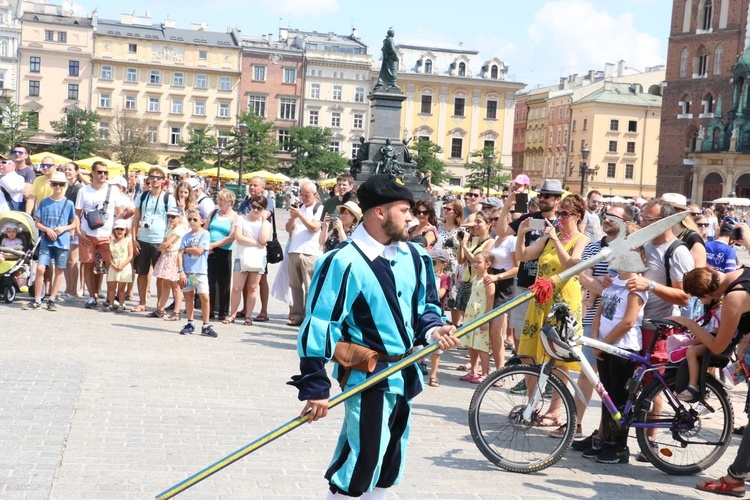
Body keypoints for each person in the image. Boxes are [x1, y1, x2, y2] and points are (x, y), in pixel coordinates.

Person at [288, 174, 459, 498]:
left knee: (389, 461)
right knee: (363, 461)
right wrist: (315, 384)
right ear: (379, 212)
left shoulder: (416, 258)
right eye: (403, 210)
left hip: (405, 372)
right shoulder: (341, 261)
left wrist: (435, 330)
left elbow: (425, 307)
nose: (411, 218)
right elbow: (320, 324)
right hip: (368, 375)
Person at [664, 267, 750, 497]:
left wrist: (689, 324)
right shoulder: (743, 272)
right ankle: (738, 475)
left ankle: (735, 478)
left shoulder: (734, 297)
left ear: (705, 296)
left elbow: (717, 347)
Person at [514, 193, 589, 424]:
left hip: (562, 305)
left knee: (559, 359)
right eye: (559, 214)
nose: (559, 218)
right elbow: (523, 256)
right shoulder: (549, 238)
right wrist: (521, 234)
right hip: (540, 301)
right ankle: (531, 405)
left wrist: (556, 239)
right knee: (529, 355)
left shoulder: (581, 239)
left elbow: (571, 264)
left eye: (565, 214)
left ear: (577, 216)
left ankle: (555, 411)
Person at [570, 204, 633, 443]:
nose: (606, 220)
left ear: (626, 222)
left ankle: (602, 431)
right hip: (592, 317)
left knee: (609, 379)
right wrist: (599, 286)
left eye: (613, 217)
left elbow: (618, 283)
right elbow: (583, 275)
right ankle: (574, 423)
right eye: (605, 217)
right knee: (587, 373)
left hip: (615, 319)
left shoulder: (627, 249)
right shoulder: (593, 246)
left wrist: (598, 286)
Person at [587, 225, 648, 464]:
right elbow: (600, 308)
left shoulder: (636, 284)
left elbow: (628, 322)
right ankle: (606, 438)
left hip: (623, 347)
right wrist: (595, 339)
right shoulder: (613, 280)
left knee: (619, 396)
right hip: (605, 345)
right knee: (606, 395)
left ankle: (619, 444)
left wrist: (604, 344)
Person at [500, 179, 563, 357]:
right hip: (525, 281)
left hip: (548, 285)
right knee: (520, 328)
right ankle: (524, 369)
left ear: (557, 199)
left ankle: (540, 372)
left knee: (546, 331)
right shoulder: (532, 219)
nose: (542, 199)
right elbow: (502, 231)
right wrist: (507, 206)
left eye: (547, 196)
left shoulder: (561, 223)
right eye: (541, 195)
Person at [75, 161, 127, 309]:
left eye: (105, 172)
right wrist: (79, 232)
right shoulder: (84, 191)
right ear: (92, 173)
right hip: (88, 234)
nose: (103, 175)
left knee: (112, 265)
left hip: (107, 235)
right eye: (99, 172)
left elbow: (119, 214)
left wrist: (117, 234)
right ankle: (92, 296)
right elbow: (77, 214)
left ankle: (112, 297)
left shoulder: (113, 190)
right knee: (88, 264)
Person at [22, 171, 76, 311]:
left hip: (62, 240)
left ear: (65, 186)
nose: (58, 186)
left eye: (61, 184)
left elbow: (74, 223)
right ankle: (38, 299)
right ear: (51, 185)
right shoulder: (44, 202)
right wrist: (47, 230)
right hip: (46, 240)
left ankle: (52, 298)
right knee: (40, 268)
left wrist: (63, 228)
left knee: (59, 269)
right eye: (55, 184)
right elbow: (37, 222)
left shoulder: (69, 203)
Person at [130, 167, 176, 314]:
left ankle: (159, 306)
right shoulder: (142, 196)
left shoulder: (168, 198)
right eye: (152, 177)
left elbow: (174, 221)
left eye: (158, 177)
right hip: (143, 238)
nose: (155, 180)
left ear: (163, 180)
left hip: (160, 240)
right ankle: (142, 302)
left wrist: (168, 241)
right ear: (148, 179)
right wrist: (133, 238)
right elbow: (136, 218)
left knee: (161, 276)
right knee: (142, 273)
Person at [225, 195, 271, 326]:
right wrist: (255, 242)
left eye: (259, 208)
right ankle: (232, 314)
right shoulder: (241, 219)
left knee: (253, 287)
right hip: (242, 257)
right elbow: (238, 237)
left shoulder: (265, 224)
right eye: (254, 206)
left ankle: (248, 316)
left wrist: (263, 221)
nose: (255, 210)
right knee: (237, 288)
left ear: (263, 209)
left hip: (257, 258)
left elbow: (264, 240)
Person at [285, 181, 323, 326]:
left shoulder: (319, 208)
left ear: (314, 195)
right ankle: (296, 315)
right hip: (294, 250)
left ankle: (309, 315)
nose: (304, 198)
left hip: (310, 252)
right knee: (294, 285)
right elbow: (288, 228)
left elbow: (314, 227)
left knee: (309, 287)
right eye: (302, 195)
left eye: (307, 195)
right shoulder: (298, 208)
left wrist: (300, 215)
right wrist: (293, 217)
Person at [485, 212, 518, 366]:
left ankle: (500, 369)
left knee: (496, 331)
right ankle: (485, 367)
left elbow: (517, 268)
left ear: (508, 221)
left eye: (497, 219)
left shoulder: (512, 240)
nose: (493, 222)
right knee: (489, 328)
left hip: (505, 283)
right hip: (492, 280)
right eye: (492, 219)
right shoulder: (496, 239)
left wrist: (498, 277)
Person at [458, 251, 495, 384]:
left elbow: (490, 300)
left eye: (479, 262)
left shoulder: (488, 280)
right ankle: (474, 371)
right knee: (471, 343)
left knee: (482, 344)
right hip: (471, 314)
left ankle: (485, 373)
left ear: (487, 264)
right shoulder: (476, 279)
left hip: (481, 314)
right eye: (475, 262)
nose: (475, 264)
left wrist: (486, 318)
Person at [178, 209, 216, 337]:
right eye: (190, 219)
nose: (192, 222)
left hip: (200, 271)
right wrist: (181, 271)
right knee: (189, 296)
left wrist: (186, 250)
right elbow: (179, 254)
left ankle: (205, 324)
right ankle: (190, 322)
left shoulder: (204, 234)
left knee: (204, 296)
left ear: (202, 221)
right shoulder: (186, 236)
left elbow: (200, 250)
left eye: (195, 219)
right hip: (189, 272)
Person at [205, 189, 237, 321]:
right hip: (209, 249)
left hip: (223, 250)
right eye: (219, 200)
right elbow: (205, 229)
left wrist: (215, 245)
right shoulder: (213, 213)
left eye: (222, 200)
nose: (220, 203)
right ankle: (209, 308)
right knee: (209, 280)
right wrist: (208, 244)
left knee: (223, 282)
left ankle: (223, 310)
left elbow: (231, 237)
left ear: (230, 202)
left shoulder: (234, 217)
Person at [152, 207, 188, 321]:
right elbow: (164, 243)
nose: (170, 219)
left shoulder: (180, 229)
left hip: (174, 258)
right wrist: (163, 247)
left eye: (173, 216)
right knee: (166, 284)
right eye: (169, 216)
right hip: (167, 256)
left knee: (176, 286)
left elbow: (166, 243)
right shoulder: (170, 228)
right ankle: (160, 309)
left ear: (180, 218)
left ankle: (176, 312)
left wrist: (163, 247)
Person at [427, 248, 452, 388]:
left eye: (434, 262)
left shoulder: (445, 278)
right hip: (424, 314)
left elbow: (440, 294)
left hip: (438, 315)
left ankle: (433, 375)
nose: (431, 264)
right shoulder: (425, 274)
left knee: (437, 348)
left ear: (443, 264)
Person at [434, 200, 462, 325]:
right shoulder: (437, 228)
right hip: (439, 266)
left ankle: (455, 326)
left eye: (448, 209)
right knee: (438, 294)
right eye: (444, 208)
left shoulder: (461, 231)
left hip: (454, 267)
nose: (445, 210)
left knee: (453, 297)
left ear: (456, 213)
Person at [61, 162, 85, 299]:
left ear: (77, 172)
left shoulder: (79, 188)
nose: (67, 172)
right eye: (65, 169)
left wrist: (73, 228)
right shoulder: (66, 186)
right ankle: (68, 288)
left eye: (70, 169)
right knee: (65, 259)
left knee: (72, 259)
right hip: (65, 226)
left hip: (74, 226)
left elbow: (78, 212)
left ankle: (73, 290)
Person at [104, 219, 133, 313]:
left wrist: (123, 265)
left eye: (121, 229)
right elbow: (109, 255)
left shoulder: (128, 241)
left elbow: (131, 255)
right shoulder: (111, 242)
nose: (119, 231)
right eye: (117, 229)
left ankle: (121, 304)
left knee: (121, 287)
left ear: (126, 230)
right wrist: (112, 264)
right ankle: (111, 304)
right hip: (114, 265)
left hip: (124, 265)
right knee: (111, 286)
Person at [10, 145, 34, 210]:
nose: (17, 154)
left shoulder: (29, 172)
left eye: (20, 152)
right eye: (15, 152)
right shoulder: (7, 169)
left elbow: (26, 193)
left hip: (19, 206)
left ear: (26, 156)